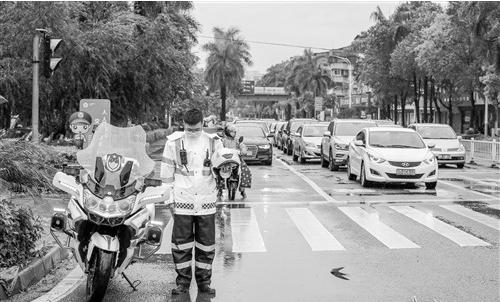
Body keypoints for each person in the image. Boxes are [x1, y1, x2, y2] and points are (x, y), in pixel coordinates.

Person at [160, 108, 223, 296]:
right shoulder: (173, 142)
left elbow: (222, 171)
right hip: (182, 201)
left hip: (206, 202)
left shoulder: (214, 143)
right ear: (184, 125)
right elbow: (166, 176)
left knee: (206, 245)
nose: (192, 133)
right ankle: (182, 283)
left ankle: (204, 283)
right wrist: (169, 200)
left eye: (195, 129)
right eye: (189, 129)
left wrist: (225, 171)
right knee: (181, 245)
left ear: (202, 125)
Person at [219, 124, 252, 199]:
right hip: (224, 160)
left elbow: (242, 146)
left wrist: (243, 150)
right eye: (232, 132)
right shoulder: (223, 140)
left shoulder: (237, 140)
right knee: (217, 171)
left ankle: (242, 190)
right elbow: (219, 147)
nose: (234, 133)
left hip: (236, 159)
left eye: (234, 132)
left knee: (246, 171)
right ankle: (219, 190)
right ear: (227, 132)